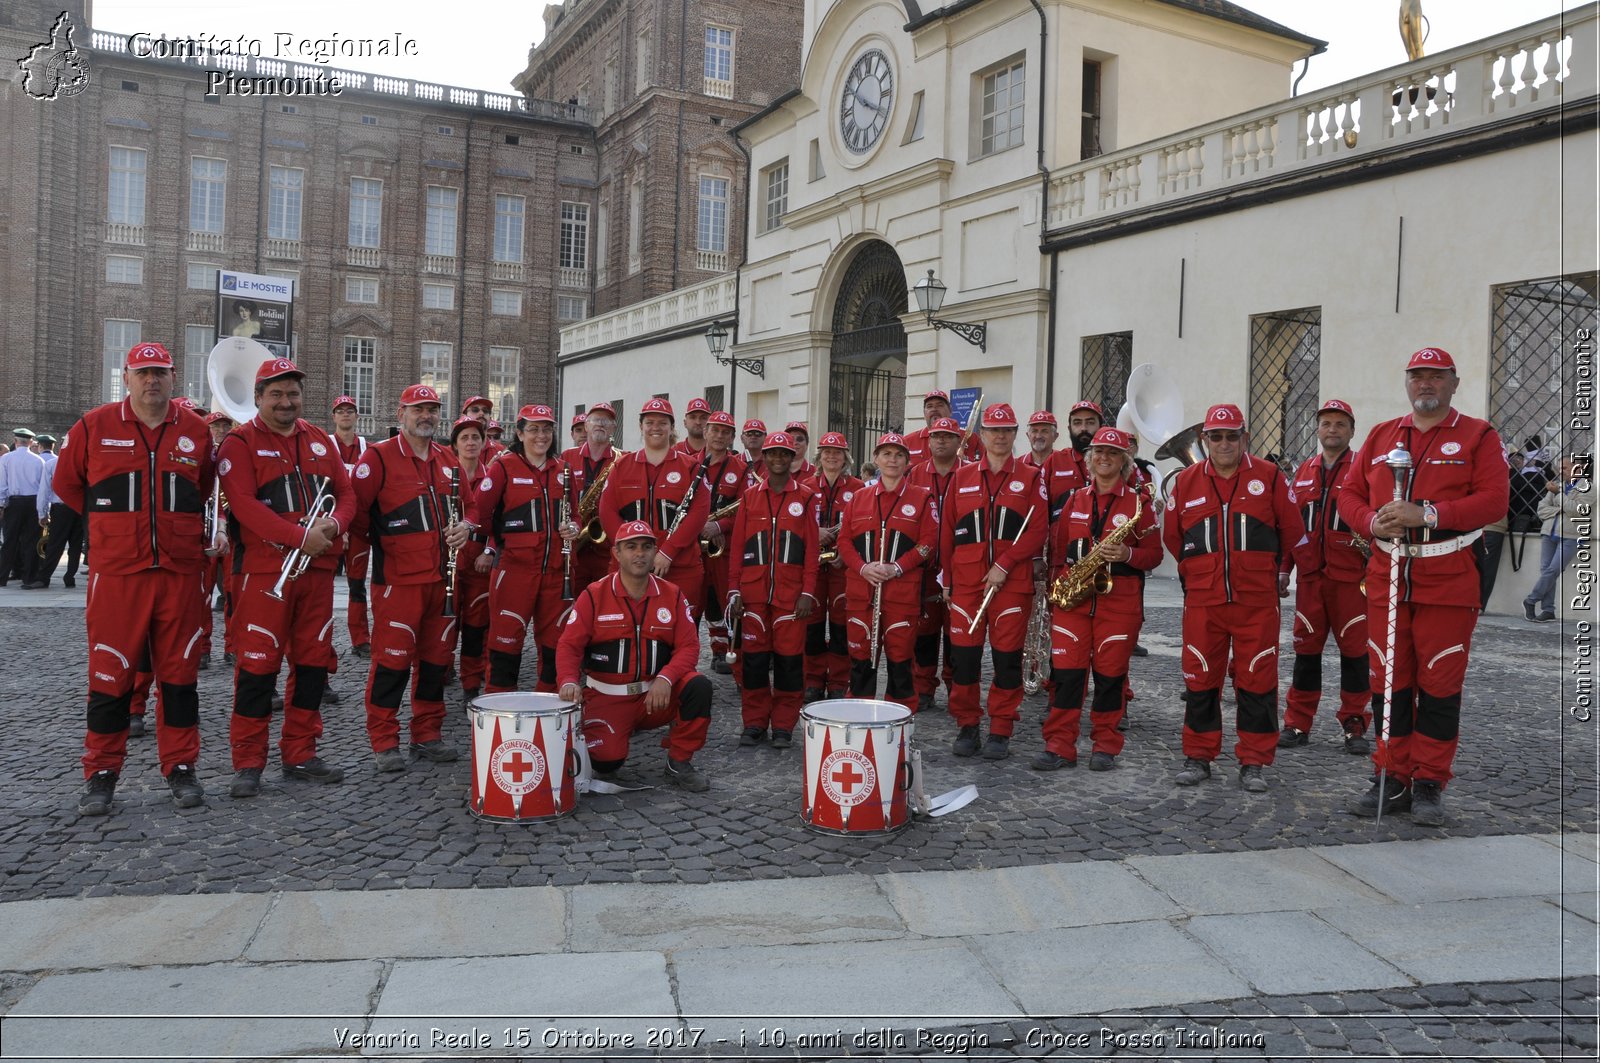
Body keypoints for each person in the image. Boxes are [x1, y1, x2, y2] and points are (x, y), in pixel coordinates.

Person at [1336, 346, 1508, 825]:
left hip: (1448, 580)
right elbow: (1347, 494)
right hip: (1387, 577)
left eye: (1436, 377)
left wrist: (1429, 514)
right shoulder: (1381, 435)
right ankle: (1390, 777)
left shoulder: (1479, 435)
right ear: (1407, 383)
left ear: (1454, 383)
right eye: (1417, 377)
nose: (1425, 385)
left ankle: (1430, 783)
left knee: (1439, 685)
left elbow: (1495, 501)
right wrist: (1371, 522)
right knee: (1388, 683)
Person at [54, 342, 214, 814]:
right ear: (126, 377)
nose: (152, 381)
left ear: (173, 377)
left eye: (160, 372)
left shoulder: (196, 430)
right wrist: (113, 527)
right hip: (118, 574)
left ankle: (181, 767)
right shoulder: (93, 425)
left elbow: (201, 487)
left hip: (179, 572)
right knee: (109, 674)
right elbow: (67, 484)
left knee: (180, 676)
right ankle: (101, 772)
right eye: (143, 373)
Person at [215, 359, 355, 797]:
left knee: (313, 666)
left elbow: (345, 493)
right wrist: (300, 538)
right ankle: (248, 761)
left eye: (292, 392)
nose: (285, 401)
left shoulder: (318, 439)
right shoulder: (239, 443)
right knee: (257, 670)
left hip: (315, 574)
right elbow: (243, 506)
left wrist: (332, 528)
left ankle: (300, 751)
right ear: (258, 398)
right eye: (275, 393)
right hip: (264, 573)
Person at [1163, 403, 1305, 793]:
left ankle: (1254, 760)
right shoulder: (1186, 481)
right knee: (1200, 678)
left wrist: (1268, 571)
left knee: (1257, 680)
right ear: (1205, 440)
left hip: (1256, 603)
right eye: (1215, 436)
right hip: (1204, 602)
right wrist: (1200, 572)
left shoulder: (1271, 476)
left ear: (1245, 438)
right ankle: (1198, 756)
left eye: (1231, 436)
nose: (1223, 443)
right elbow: (1173, 538)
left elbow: (1292, 530)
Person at [349, 384, 466, 771]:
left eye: (432, 409)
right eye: (418, 409)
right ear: (401, 414)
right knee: (392, 663)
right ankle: (384, 741)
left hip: (442, 583)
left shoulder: (448, 459)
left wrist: (466, 526)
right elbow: (359, 516)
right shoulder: (378, 458)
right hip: (398, 583)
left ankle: (427, 734)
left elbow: (471, 506)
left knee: (436, 662)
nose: (426, 416)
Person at [1033, 427, 1161, 770]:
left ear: (1124, 461)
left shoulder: (1139, 503)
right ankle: (1060, 745)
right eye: (1098, 453)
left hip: (1119, 603)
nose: (1104, 458)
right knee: (1067, 677)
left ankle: (1105, 745)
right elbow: (1058, 551)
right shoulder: (1074, 499)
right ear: (1089, 460)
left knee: (1110, 678)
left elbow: (1155, 554)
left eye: (1113, 453)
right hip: (1074, 602)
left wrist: (1128, 555)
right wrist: (1058, 591)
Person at [557, 520, 714, 791]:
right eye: (631, 547)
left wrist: (666, 678)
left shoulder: (673, 594)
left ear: (655, 552)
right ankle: (616, 734)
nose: (639, 554)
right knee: (606, 764)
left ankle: (679, 761)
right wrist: (569, 681)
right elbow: (569, 646)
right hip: (608, 698)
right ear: (616, 554)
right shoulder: (593, 596)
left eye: (646, 547)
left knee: (698, 686)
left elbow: (689, 646)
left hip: (654, 697)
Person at [941, 403, 1047, 758]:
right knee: (965, 661)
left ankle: (1001, 729)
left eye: (1007, 430)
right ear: (982, 435)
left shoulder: (1031, 477)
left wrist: (1005, 562)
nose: (1000, 436)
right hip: (967, 584)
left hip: (1011, 583)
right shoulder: (962, 476)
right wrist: (947, 578)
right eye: (993, 430)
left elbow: (1038, 529)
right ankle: (968, 726)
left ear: (1015, 434)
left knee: (1007, 661)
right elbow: (946, 533)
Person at [1279, 400, 1372, 754]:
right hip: (1310, 581)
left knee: (1355, 655)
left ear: (1351, 430)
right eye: (1326, 423)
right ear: (1318, 430)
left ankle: (1355, 725)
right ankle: (1297, 723)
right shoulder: (1303, 470)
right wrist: (1285, 570)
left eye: (1339, 424)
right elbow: (1292, 527)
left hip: (1352, 580)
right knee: (1305, 654)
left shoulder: (1364, 469)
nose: (1332, 430)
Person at [468, 404, 571, 693]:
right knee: (505, 645)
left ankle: (549, 715)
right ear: (520, 432)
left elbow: (573, 514)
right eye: (534, 429)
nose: (542, 435)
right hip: (514, 572)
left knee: (555, 646)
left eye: (547, 429)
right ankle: (499, 710)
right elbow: (479, 511)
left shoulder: (563, 469)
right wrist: (499, 541)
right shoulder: (504, 466)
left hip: (555, 574)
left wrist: (572, 527)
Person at [726, 431, 819, 747]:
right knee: (752, 665)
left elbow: (811, 551)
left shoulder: (805, 497)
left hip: (792, 598)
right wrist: (733, 592)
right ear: (763, 458)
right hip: (752, 596)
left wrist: (808, 591)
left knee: (789, 664)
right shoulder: (750, 497)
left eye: (784, 454)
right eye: (772, 454)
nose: (778, 459)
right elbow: (737, 547)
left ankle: (783, 725)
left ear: (792, 458)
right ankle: (753, 723)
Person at [838, 432, 939, 714]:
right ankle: (858, 720)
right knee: (860, 661)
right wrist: (863, 567)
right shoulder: (859, 497)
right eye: (886, 454)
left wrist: (896, 567)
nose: (892, 460)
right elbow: (844, 541)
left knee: (901, 662)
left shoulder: (922, 497)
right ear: (875, 459)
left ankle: (898, 723)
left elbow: (929, 543)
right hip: (861, 591)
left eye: (898, 455)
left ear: (907, 461)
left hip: (902, 593)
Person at [598, 398, 710, 619]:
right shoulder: (622, 466)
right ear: (641, 426)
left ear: (671, 427)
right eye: (649, 422)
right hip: (630, 565)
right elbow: (607, 512)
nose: (655, 428)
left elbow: (699, 512)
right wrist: (630, 552)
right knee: (628, 626)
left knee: (679, 630)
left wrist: (668, 551)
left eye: (662, 423)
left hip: (679, 565)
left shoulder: (690, 467)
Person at [906, 416, 964, 711]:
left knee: (957, 632)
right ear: (928, 441)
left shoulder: (969, 473)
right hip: (925, 568)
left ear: (958, 441)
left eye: (948, 435)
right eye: (936, 436)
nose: (941, 440)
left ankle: (956, 686)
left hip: (961, 566)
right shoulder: (915, 473)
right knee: (924, 631)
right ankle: (924, 687)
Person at [806, 432, 863, 701]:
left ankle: (840, 680)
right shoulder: (805, 487)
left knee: (842, 626)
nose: (831, 456)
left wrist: (844, 548)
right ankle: (813, 679)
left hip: (843, 568)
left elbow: (863, 528)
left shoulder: (859, 489)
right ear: (818, 457)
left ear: (846, 458)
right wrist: (814, 532)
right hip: (812, 568)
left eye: (837, 452)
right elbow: (794, 525)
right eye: (826, 452)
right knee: (812, 626)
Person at [695, 410, 747, 672]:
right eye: (714, 430)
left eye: (725, 432)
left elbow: (746, 512)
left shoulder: (740, 469)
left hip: (722, 549)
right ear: (705, 432)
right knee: (692, 604)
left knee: (725, 602)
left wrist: (719, 525)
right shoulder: (687, 462)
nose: (719, 436)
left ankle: (729, 655)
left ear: (732, 438)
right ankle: (685, 660)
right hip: (692, 548)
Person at [449, 417, 492, 698]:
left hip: (479, 560)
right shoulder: (444, 474)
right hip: (449, 560)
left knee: (476, 626)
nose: (471, 443)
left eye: (476, 437)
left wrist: (489, 551)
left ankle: (471, 682)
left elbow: (503, 519)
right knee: (446, 621)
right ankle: (440, 669)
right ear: (455, 445)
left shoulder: (493, 476)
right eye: (464, 438)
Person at [1523, 454, 1593, 622]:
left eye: (1564, 468)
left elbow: (1576, 510)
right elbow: (1541, 510)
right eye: (1559, 468)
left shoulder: (1589, 488)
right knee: (1547, 571)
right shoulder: (1559, 486)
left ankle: (1531, 600)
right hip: (1549, 533)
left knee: (1553, 570)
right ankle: (1548, 610)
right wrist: (1560, 509)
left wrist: (1559, 495)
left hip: (1571, 536)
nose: (1560, 471)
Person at [330, 397, 371, 657]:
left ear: (357, 416)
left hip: (357, 528)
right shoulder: (325, 445)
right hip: (331, 526)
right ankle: (322, 639)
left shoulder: (367, 447)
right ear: (334, 416)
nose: (345, 415)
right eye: (340, 411)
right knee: (322, 586)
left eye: (350, 411)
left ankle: (360, 639)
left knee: (357, 585)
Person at [561, 402, 618, 592]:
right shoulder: (567, 456)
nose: (600, 424)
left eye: (606, 421)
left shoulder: (622, 459)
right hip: (574, 544)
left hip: (605, 548)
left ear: (613, 428)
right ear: (586, 426)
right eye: (595, 420)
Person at [36, 433, 85, 589]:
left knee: (56, 544)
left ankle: (44, 577)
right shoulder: (83, 463)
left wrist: (42, 512)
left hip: (61, 508)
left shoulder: (51, 464)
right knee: (75, 544)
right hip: (78, 508)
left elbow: (44, 490)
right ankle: (69, 577)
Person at [0, 427, 46, 587]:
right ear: (31, 442)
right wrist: (43, 511)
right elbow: (43, 488)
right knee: (31, 541)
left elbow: (2, 484)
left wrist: (1, 505)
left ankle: (2, 577)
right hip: (33, 503)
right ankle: (29, 577)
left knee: (9, 541)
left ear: (15, 441)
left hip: (14, 502)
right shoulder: (38, 460)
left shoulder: (6, 459)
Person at [904, 391, 982, 464]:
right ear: (924, 413)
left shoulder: (970, 438)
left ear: (950, 410)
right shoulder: (908, 442)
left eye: (940, 405)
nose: (934, 409)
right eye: (929, 406)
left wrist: (965, 461)